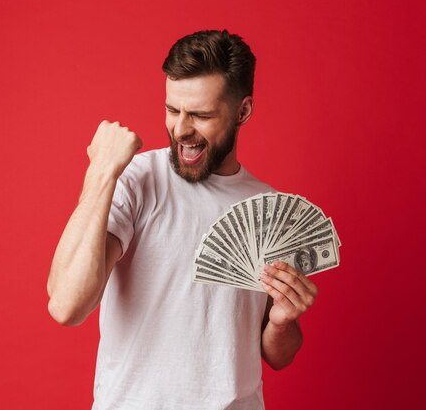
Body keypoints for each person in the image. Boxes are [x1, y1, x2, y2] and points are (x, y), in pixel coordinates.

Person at [47, 29, 320, 410]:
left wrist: (282, 320)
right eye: (172, 110)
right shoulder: (139, 178)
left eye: (201, 115)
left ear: (243, 111)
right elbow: (66, 305)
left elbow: (279, 355)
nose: (181, 129)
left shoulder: (268, 208)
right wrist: (102, 173)